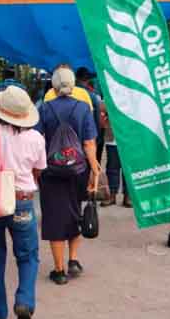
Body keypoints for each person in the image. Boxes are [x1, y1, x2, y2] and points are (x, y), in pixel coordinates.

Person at [0, 86, 45, 319]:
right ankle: (24, 300)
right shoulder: (36, 138)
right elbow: (39, 170)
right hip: (22, 200)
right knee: (28, 256)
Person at [36, 68, 100, 285]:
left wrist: (35, 170)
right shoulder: (83, 108)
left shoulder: (44, 109)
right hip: (78, 170)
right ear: (73, 85)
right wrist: (94, 169)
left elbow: (37, 140)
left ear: (53, 86)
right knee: (75, 212)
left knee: (55, 217)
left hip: (51, 170)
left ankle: (59, 270)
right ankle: (73, 260)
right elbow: (89, 143)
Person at [75, 67, 109, 205]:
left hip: (73, 140)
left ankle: (77, 194)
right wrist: (97, 138)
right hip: (91, 138)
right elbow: (96, 121)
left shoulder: (67, 93)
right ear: (87, 79)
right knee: (92, 166)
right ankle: (91, 192)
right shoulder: (91, 96)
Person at [102, 102, 131, 208]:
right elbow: (102, 107)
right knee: (112, 167)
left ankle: (128, 196)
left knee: (128, 169)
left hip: (129, 137)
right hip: (112, 136)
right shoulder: (111, 89)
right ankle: (112, 195)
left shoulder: (133, 94)